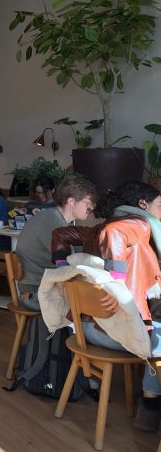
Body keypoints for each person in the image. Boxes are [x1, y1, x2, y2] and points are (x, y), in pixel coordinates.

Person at [84, 181, 161, 431]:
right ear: (143, 205)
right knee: (158, 338)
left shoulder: (100, 225)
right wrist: (114, 283)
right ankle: (150, 407)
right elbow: (115, 233)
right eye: (160, 205)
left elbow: (63, 234)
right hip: (112, 330)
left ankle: (149, 406)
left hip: (87, 325)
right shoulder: (138, 224)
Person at [15, 175, 97, 310]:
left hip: (36, 287)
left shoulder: (52, 216)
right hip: (36, 293)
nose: (92, 207)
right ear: (71, 201)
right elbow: (69, 262)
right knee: (96, 306)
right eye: (88, 203)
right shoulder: (53, 222)